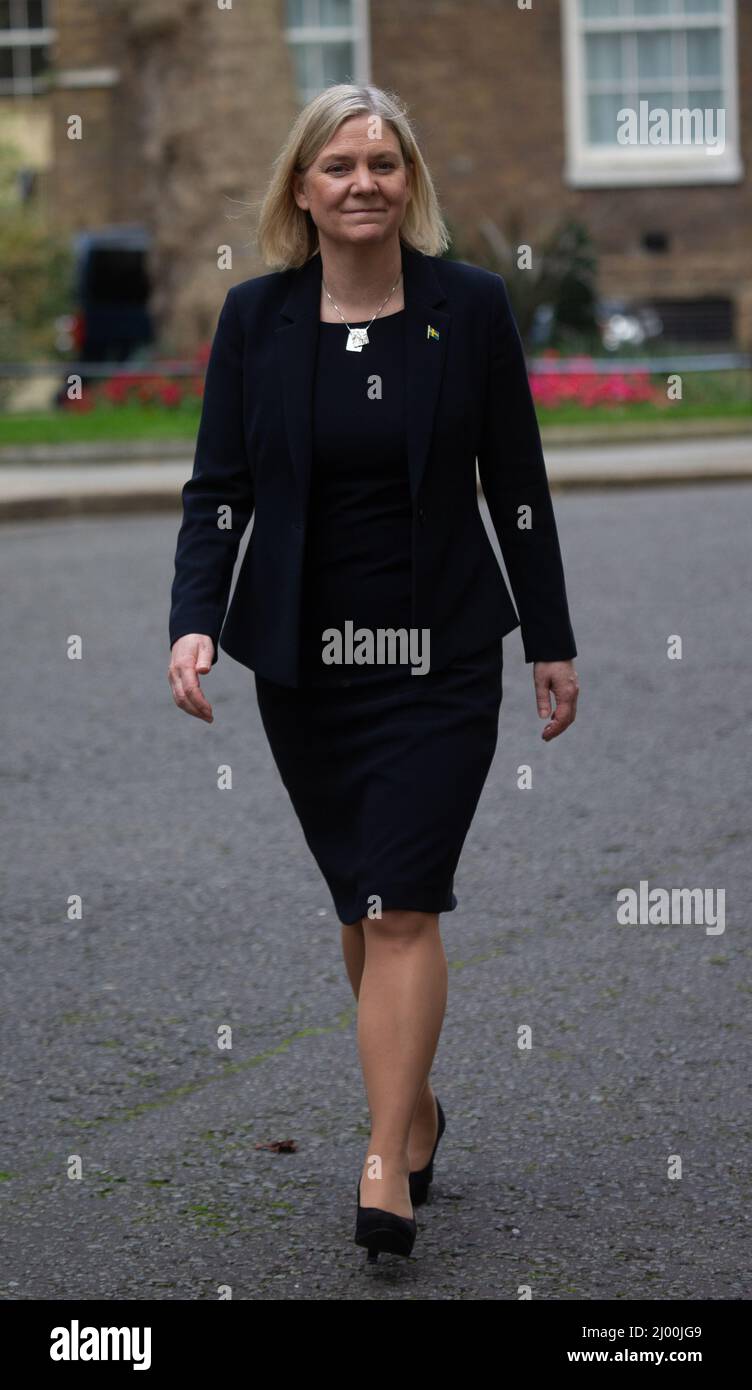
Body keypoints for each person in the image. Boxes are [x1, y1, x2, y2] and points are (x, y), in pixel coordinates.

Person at [168, 83, 580, 1263]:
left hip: (437, 656)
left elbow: (515, 486)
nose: (363, 182)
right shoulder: (256, 320)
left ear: (410, 184)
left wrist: (546, 639)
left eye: (384, 164)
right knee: (360, 901)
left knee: (401, 899)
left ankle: (379, 1157)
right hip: (305, 665)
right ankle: (420, 1107)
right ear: (301, 189)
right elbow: (219, 491)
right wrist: (195, 619)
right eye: (338, 165)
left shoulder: (470, 309)